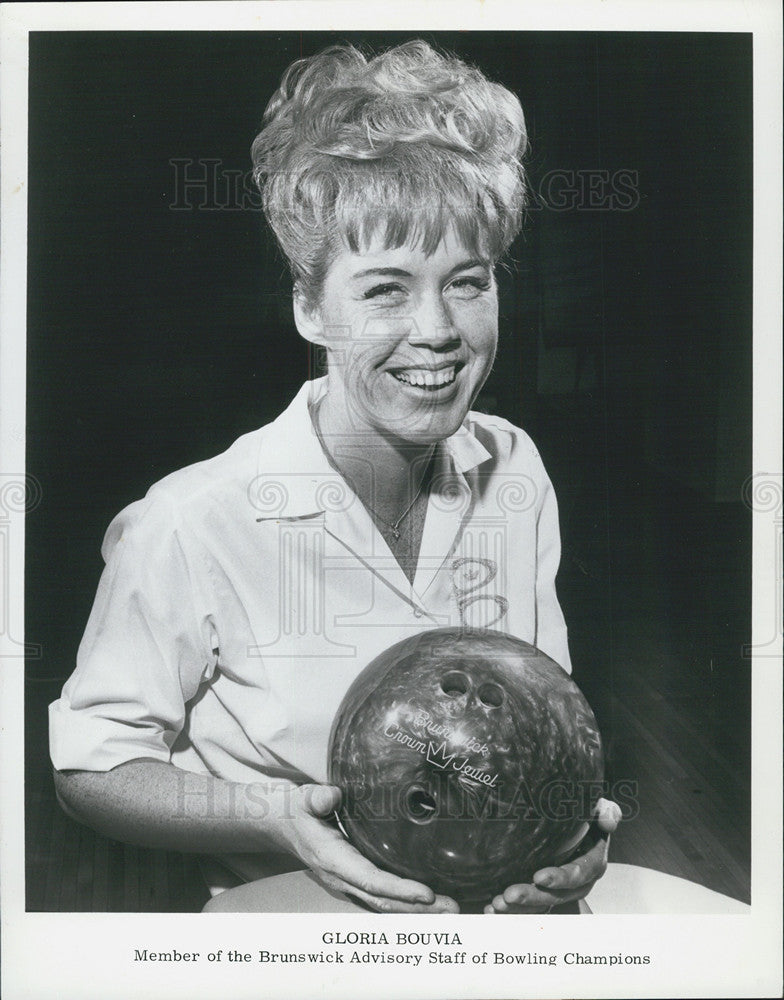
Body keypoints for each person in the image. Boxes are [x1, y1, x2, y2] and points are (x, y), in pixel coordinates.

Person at [50, 39, 620, 915]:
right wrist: (277, 819)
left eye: (467, 282)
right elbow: (91, 767)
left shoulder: (517, 469)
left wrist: (574, 834)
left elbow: (541, 730)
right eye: (386, 290)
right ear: (310, 306)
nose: (437, 330)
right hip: (298, 930)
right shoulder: (191, 520)